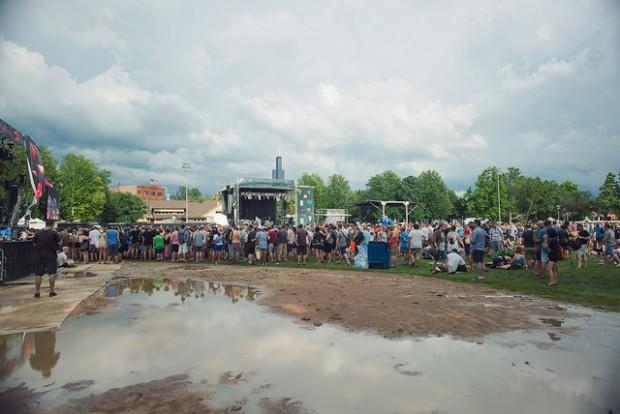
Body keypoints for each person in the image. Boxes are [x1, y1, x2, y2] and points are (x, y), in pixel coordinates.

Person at [32, 221, 61, 298]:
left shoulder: (38, 233)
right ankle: (51, 291)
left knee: (38, 274)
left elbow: (34, 243)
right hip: (51, 255)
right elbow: (59, 242)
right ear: (52, 225)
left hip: (39, 255)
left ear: (45, 224)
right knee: (52, 273)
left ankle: (37, 292)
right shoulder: (54, 233)